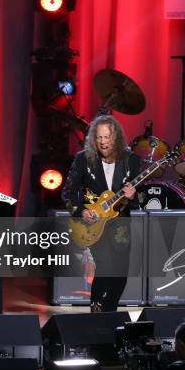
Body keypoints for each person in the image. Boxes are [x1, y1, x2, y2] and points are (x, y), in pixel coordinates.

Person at [62, 115, 140, 312]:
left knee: (121, 273)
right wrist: (81, 210)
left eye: (108, 137)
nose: (103, 142)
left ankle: (109, 314)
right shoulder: (83, 159)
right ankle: (97, 315)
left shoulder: (130, 160)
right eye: (99, 137)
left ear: (116, 138)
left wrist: (133, 196)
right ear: (93, 138)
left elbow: (142, 199)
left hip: (120, 225)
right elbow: (67, 193)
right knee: (105, 268)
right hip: (94, 224)